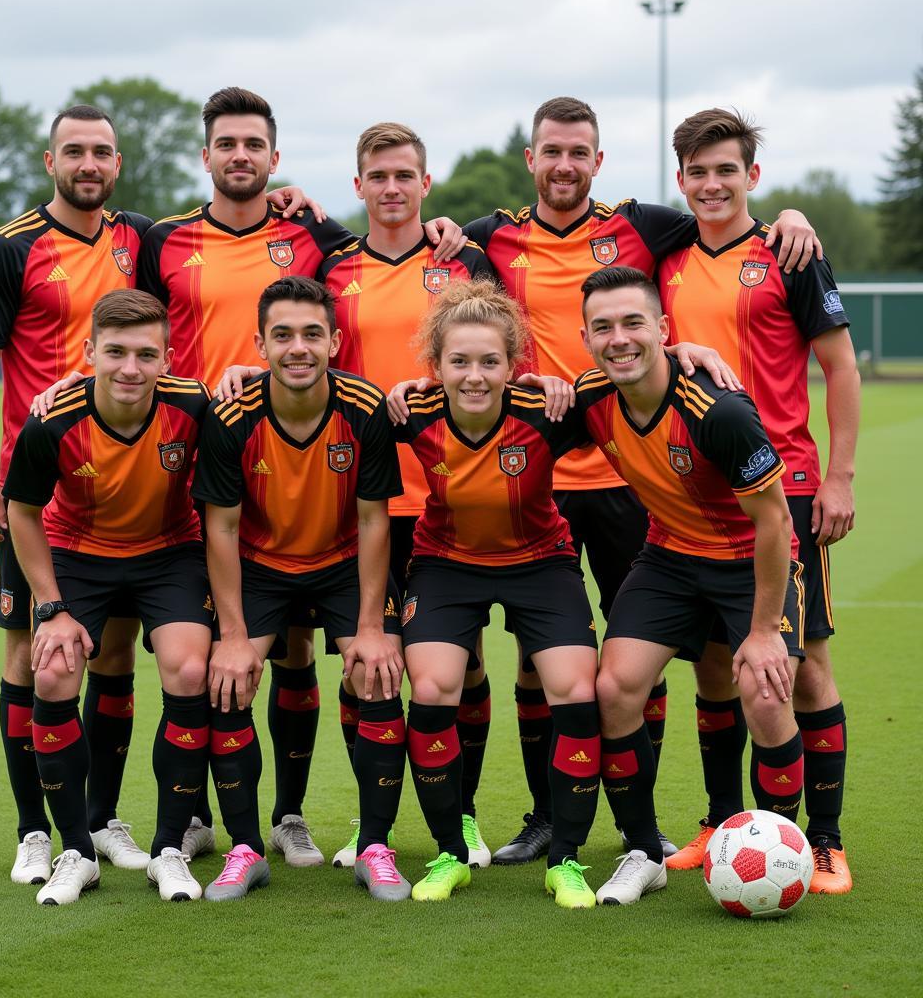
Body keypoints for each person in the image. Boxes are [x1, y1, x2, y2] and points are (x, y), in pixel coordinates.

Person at [458, 97, 819, 864]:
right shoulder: (491, 237)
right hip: (556, 463)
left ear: (598, 160)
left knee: (683, 672)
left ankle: (716, 835)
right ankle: (552, 819)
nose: (564, 164)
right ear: (532, 160)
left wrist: (789, 213)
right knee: (545, 658)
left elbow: (727, 216)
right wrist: (437, 228)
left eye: (578, 152)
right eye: (551, 152)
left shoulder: (647, 226)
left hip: (639, 484)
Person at [140, 90, 464, 867]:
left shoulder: (315, 239)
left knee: (414, 663)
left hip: (355, 478)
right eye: (227, 142)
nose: (241, 155)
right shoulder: (161, 241)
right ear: (207, 153)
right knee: (209, 660)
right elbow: (129, 331)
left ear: (276, 159)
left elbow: (397, 253)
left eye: (255, 144)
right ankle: (187, 820)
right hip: (209, 467)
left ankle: (308, 818)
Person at [657, 108, 858, 894]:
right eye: (698, 172)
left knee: (803, 667)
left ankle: (825, 840)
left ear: (752, 177)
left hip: (789, 487)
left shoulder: (789, 251)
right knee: (714, 665)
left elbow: (840, 367)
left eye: (726, 170)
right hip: (693, 495)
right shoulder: (664, 254)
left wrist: (839, 478)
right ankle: (720, 820)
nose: (712, 184)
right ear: (681, 181)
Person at [0, 105, 156, 883]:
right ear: (50, 161)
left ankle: (102, 820)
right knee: (31, 651)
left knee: (111, 653)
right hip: (35, 491)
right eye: (74, 150)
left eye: (102, 151)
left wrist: (294, 198)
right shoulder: (10, 248)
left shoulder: (137, 237)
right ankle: (32, 829)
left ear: (117, 161)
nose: (89, 163)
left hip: (126, 482)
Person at [567, 266, 806, 907]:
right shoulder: (591, 399)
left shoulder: (718, 411)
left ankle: (784, 848)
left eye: (633, 323)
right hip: (669, 558)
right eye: (603, 327)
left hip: (746, 560)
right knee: (614, 687)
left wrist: (761, 633)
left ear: (664, 331)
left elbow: (776, 521)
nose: (619, 339)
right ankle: (642, 850)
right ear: (586, 338)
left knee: (762, 689)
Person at [191, 275, 409, 902]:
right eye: (282, 335)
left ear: (335, 341)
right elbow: (222, 528)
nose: (298, 348)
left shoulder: (363, 407)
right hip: (259, 565)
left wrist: (371, 626)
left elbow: (374, 520)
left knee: (376, 672)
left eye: (313, 334)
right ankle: (244, 848)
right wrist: (232, 636)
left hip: (342, 562)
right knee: (228, 682)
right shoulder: (230, 416)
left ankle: (374, 846)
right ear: (260, 343)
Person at [319, 122, 497, 868]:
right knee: (367, 665)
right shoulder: (331, 267)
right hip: (360, 496)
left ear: (426, 184)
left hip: (451, 494)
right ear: (357, 186)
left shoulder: (464, 260)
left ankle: (464, 818)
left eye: (405, 176)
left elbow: (498, 355)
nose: (391, 188)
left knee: (464, 666)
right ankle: (372, 827)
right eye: (377, 176)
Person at [394, 279, 602, 908]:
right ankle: (451, 853)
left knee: (576, 691)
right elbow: (330, 404)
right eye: (459, 361)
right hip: (444, 562)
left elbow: (638, 376)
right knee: (432, 689)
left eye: (490, 361)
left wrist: (696, 352)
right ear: (436, 367)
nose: (475, 376)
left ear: (516, 366)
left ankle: (565, 860)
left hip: (540, 562)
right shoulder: (413, 414)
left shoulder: (548, 414)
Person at [3, 290, 214, 905]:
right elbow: (22, 512)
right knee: (53, 674)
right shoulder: (53, 418)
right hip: (77, 551)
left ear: (168, 358)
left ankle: (170, 849)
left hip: (169, 552)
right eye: (115, 351)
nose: (130, 367)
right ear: (89, 351)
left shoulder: (194, 407)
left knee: (189, 668)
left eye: (146, 354)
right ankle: (76, 849)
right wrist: (51, 608)